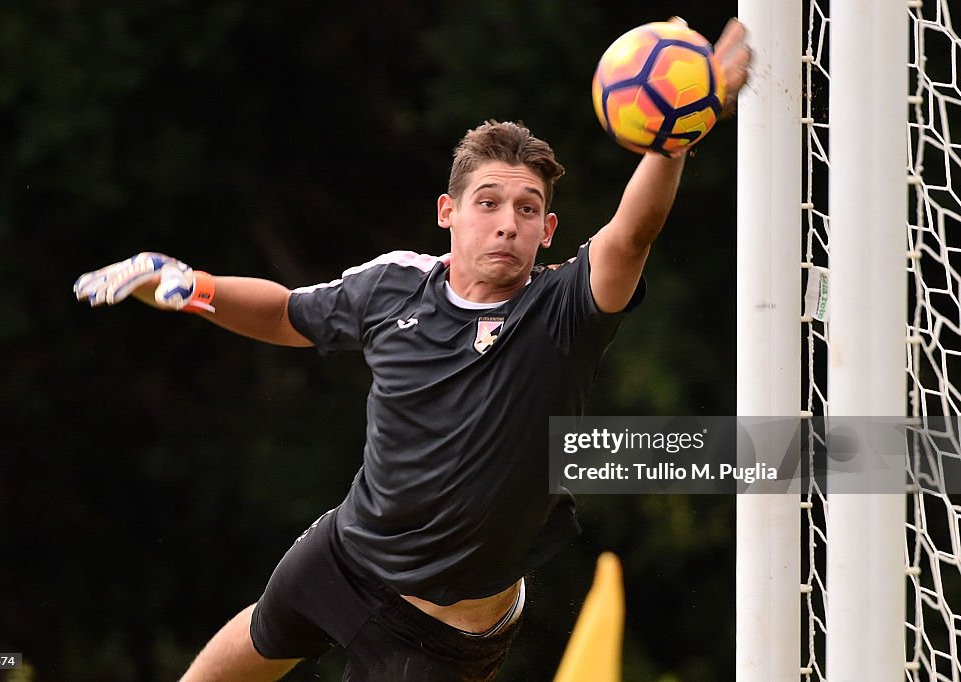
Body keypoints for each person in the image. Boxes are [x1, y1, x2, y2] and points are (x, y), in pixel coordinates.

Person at [73, 18, 750, 682]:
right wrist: (189, 284)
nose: (506, 223)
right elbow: (286, 312)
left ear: (548, 231)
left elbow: (632, 235)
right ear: (446, 212)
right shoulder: (393, 285)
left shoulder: (565, 309)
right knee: (239, 656)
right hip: (347, 554)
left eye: (526, 209)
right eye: (488, 202)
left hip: (439, 632)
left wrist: (676, 134)